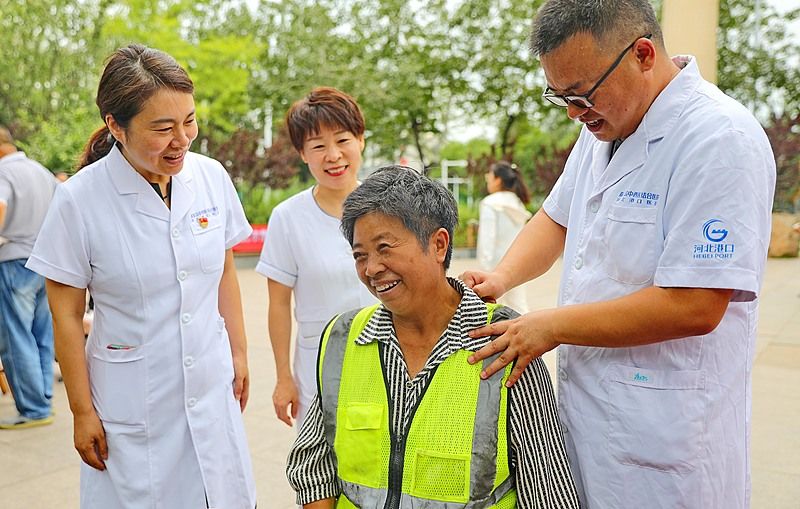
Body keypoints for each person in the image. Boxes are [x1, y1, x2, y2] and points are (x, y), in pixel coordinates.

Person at [461, 1, 776, 508]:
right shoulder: (602, 129)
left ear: (643, 55)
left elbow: (696, 304)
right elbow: (556, 218)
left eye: (583, 94)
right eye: (561, 96)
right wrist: (501, 277)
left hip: (668, 441)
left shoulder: (720, 140)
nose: (574, 112)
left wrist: (550, 327)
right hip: (590, 423)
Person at [25, 44, 257, 509]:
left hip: (210, 379)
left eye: (189, 121)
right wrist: (81, 411)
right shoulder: (80, 200)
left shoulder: (210, 177)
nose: (182, 140)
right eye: (163, 128)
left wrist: (239, 351)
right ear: (116, 126)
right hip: (134, 399)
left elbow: (224, 270)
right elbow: (65, 315)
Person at [287, 166, 579, 509]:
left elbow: (547, 489)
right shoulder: (343, 337)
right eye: (359, 255)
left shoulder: (506, 341)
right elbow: (314, 466)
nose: (371, 269)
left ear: (439, 245)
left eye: (384, 248)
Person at [256, 87, 375, 430]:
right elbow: (279, 305)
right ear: (302, 154)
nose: (333, 156)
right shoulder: (288, 217)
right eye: (318, 146)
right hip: (318, 370)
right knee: (321, 457)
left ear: (360, 140)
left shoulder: (388, 207)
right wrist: (283, 377)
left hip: (386, 365)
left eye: (343, 140)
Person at [0, 125, 58, 429]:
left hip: (14, 261)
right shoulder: (41, 171)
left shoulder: (3, 173)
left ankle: (34, 409)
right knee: (41, 335)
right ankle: (44, 399)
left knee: (16, 336)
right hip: (45, 262)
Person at [477, 161, 532, 313]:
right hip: (517, 263)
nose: (488, 181)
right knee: (519, 306)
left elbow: (487, 239)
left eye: (489, 177)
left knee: (489, 311)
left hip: (494, 267)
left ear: (498, 180)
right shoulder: (518, 204)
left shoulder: (490, 203)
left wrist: (484, 269)